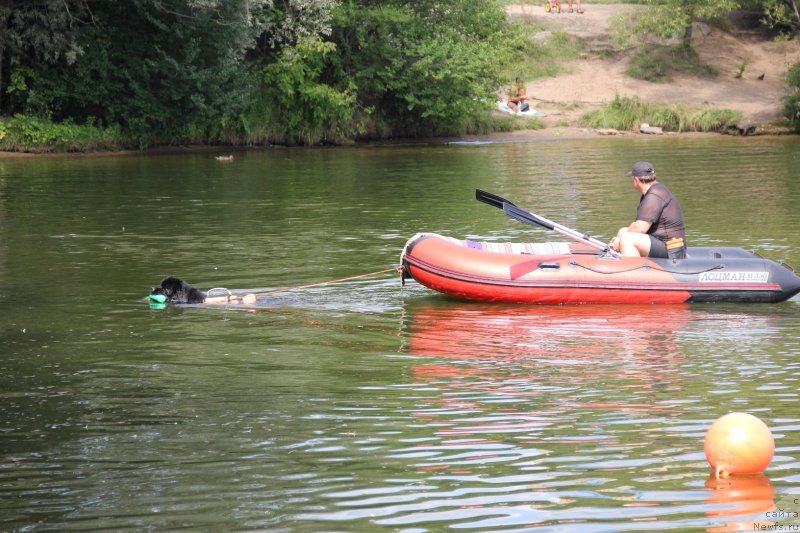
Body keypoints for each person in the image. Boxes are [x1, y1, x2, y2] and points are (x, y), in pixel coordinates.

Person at [609, 161, 687, 259]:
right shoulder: (655, 191)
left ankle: (634, 270)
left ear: (636, 180)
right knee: (622, 232)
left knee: (627, 239)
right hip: (663, 243)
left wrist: (620, 241)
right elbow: (638, 225)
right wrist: (620, 237)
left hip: (672, 249)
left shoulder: (654, 195)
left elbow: (641, 227)